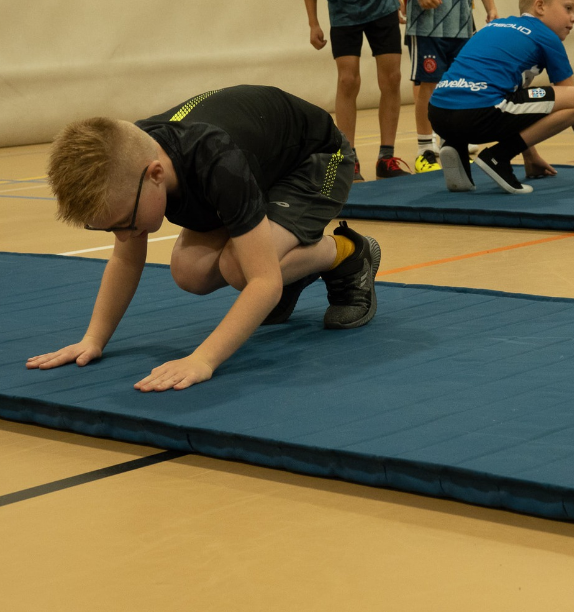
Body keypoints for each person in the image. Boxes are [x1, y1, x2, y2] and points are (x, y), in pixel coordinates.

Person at [26, 85, 381, 392]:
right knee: (189, 270)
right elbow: (125, 258)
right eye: (108, 229)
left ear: (156, 175)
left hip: (316, 159)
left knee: (241, 268)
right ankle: (288, 255)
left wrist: (202, 360)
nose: (123, 235)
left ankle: (348, 254)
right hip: (260, 164)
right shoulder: (131, 163)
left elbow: (264, 282)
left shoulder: (216, 160)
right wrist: (93, 339)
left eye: (124, 223)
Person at [427, 0, 574, 194]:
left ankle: (456, 147)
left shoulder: (495, 26)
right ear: (540, 6)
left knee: (512, 98)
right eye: (568, 8)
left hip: (439, 113)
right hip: (479, 113)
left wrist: (530, 157)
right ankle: (498, 157)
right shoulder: (547, 37)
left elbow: (514, 105)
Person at [301, 0, 411, 180]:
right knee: (348, 80)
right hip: (344, 10)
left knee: (392, 78)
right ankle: (349, 159)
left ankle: (386, 158)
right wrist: (313, 22)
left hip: (383, 7)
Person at [390, 0, 499, 174]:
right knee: (429, 87)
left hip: (461, 23)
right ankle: (425, 149)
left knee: (457, 87)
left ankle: (452, 145)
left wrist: (491, 7)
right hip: (426, 25)